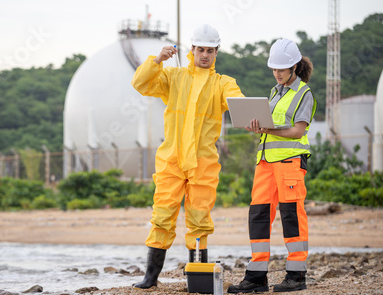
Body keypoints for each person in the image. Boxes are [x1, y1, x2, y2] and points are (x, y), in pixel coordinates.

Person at [130, 24, 244, 289]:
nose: (205, 54)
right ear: (192, 49)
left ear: (217, 52)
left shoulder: (223, 83)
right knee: (162, 214)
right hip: (171, 159)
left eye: (210, 50)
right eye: (200, 49)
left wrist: (253, 114)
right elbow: (141, 84)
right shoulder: (174, 77)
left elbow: (238, 102)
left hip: (203, 162)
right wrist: (157, 60)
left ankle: (198, 276)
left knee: (200, 218)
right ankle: (150, 277)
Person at [228, 38, 317, 293]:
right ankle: (257, 277)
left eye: (282, 69)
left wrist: (269, 128)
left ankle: (296, 275)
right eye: (274, 69)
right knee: (258, 217)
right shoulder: (274, 92)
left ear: (294, 67)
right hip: (265, 163)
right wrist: (256, 127)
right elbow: (271, 129)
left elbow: (298, 131)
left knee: (291, 216)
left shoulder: (304, 94)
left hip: (289, 163)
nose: (277, 73)